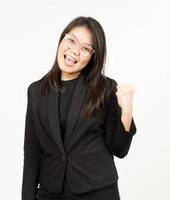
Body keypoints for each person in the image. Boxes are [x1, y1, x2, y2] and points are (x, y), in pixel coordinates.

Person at [22, 16, 137, 200]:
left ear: (93, 56)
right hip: (51, 192)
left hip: (97, 192)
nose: (74, 51)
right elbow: (32, 151)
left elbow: (119, 150)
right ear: (62, 39)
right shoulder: (36, 91)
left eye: (85, 48)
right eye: (71, 40)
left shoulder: (105, 88)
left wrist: (127, 110)